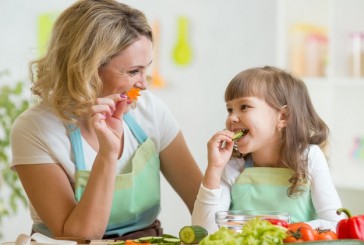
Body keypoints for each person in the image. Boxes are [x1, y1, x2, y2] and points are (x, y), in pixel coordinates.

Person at [10, 0, 202, 240]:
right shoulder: (34, 129)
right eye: (133, 72)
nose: (144, 83)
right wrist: (107, 154)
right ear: (86, 70)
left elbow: (201, 203)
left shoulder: (149, 109)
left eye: (146, 69)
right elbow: (80, 233)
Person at [191, 66, 344, 234]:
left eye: (244, 107)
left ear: (283, 116)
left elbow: (335, 224)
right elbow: (203, 230)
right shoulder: (233, 166)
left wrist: (281, 230)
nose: (231, 118)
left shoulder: (309, 158)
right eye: (230, 109)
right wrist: (214, 168)